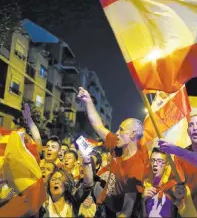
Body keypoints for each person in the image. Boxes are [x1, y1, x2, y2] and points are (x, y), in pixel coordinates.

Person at [77, 87, 148, 217]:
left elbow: (126, 211)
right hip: (105, 206)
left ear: (133, 134)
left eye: (121, 130)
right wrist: (88, 101)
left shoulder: (137, 167)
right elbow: (97, 125)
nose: (116, 133)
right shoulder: (117, 145)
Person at [40, 149, 94, 217]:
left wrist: (87, 158)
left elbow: (88, 183)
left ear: (66, 185)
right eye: (53, 179)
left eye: (60, 179)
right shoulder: (42, 204)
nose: (56, 182)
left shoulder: (74, 201)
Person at [142, 147, 175, 218]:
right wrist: (142, 200)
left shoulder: (173, 186)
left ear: (167, 165)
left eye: (159, 161)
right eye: (152, 160)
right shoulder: (144, 186)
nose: (154, 164)